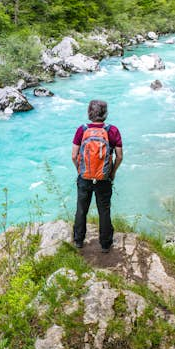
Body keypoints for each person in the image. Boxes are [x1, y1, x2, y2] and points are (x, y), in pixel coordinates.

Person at [71, 100, 123, 252]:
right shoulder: (112, 130)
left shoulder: (82, 130)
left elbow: (74, 156)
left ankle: (79, 240)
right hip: (104, 178)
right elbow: (119, 156)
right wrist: (112, 173)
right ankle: (105, 244)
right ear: (105, 114)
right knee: (104, 210)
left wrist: (80, 171)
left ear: (89, 113)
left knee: (81, 209)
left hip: (84, 176)